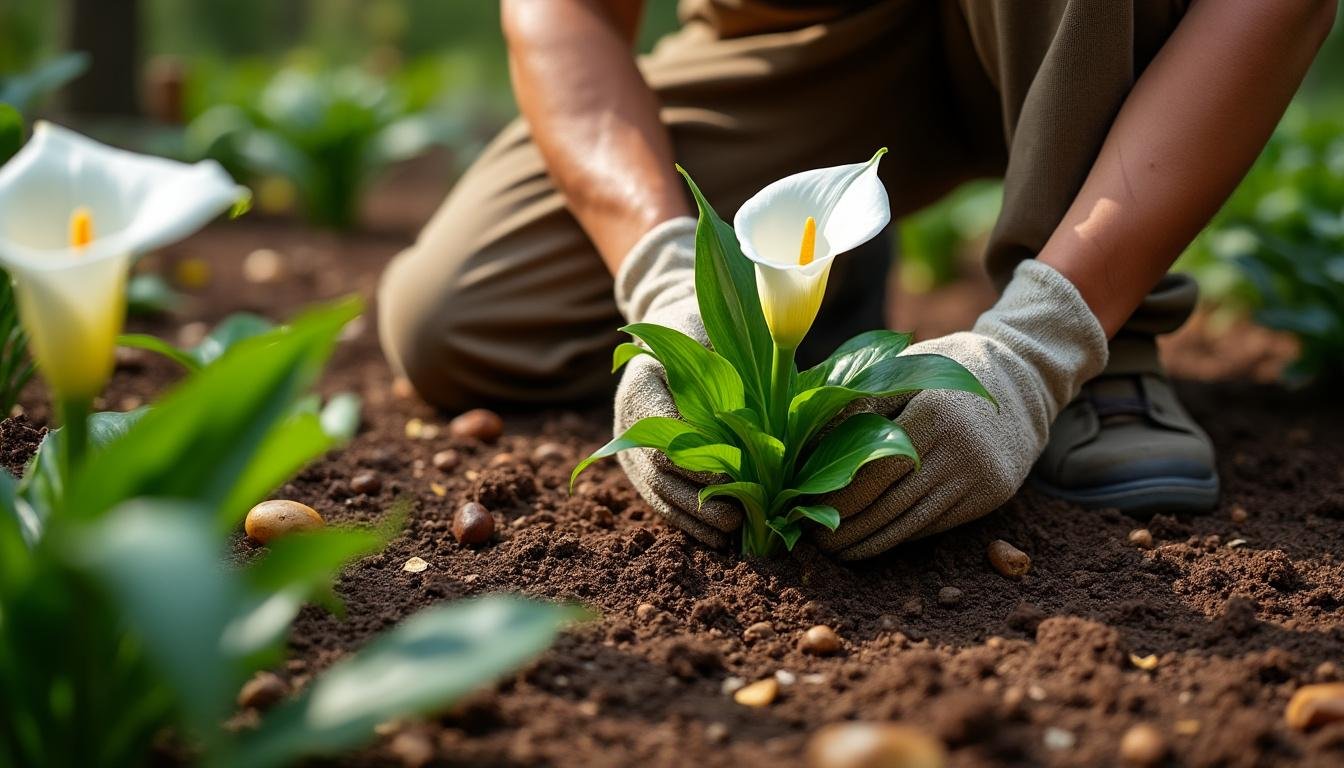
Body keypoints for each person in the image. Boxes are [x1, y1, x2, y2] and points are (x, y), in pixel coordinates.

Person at [378, 0, 1338, 558]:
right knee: (458, 319)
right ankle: (830, 269)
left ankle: (1104, 340)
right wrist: (670, 278)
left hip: (1076, 22)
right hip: (799, 35)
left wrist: (1040, 347)